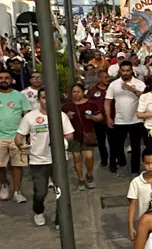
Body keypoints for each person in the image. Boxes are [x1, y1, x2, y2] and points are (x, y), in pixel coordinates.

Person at [14, 88, 74, 226]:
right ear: (39, 100)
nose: (46, 100)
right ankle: (38, 211)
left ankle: (60, 220)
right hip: (38, 161)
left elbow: (70, 134)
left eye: (49, 97)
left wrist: (62, 141)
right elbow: (19, 136)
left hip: (58, 160)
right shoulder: (30, 117)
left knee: (61, 192)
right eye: (43, 97)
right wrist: (21, 145)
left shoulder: (61, 115)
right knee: (40, 192)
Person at [105, 60, 146, 174]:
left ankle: (135, 169)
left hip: (136, 119)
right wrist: (108, 117)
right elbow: (107, 101)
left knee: (136, 147)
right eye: (123, 71)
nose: (125, 73)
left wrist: (132, 89)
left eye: (128, 71)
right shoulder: (113, 85)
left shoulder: (139, 83)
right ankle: (122, 162)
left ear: (132, 70)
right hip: (119, 120)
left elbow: (145, 98)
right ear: (120, 71)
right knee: (118, 145)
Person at [62, 83, 102, 190]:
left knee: (89, 157)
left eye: (78, 91)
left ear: (83, 92)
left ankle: (89, 175)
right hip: (73, 136)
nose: (76, 94)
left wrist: (92, 117)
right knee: (76, 158)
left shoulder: (91, 104)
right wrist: (67, 116)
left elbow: (100, 117)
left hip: (87, 134)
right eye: (74, 92)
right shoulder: (66, 106)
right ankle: (80, 179)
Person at [0, 69, 29, 202]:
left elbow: (27, 115)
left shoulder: (20, 96)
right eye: (1, 78)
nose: (3, 80)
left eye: (6, 78)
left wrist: (26, 134)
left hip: (17, 136)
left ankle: (17, 191)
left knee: (17, 165)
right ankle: (4, 184)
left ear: (11, 80)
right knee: (1, 166)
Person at [127, 148, 152, 241]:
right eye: (147, 163)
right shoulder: (136, 182)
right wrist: (130, 227)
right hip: (144, 223)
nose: (151, 166)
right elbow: (132, 205)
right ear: (142, 163)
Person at [86, 70, 111, 167]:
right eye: (104, 77)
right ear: (99, 78)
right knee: (101, 141)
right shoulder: (93, 90)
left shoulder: (111, 88)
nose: (106, 79)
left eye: (107, 77)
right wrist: (90, 116)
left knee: (113, 141)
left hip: (110, 119)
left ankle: (114, 160)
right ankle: (104, 159)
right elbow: (88, 104)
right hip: (98, 120)